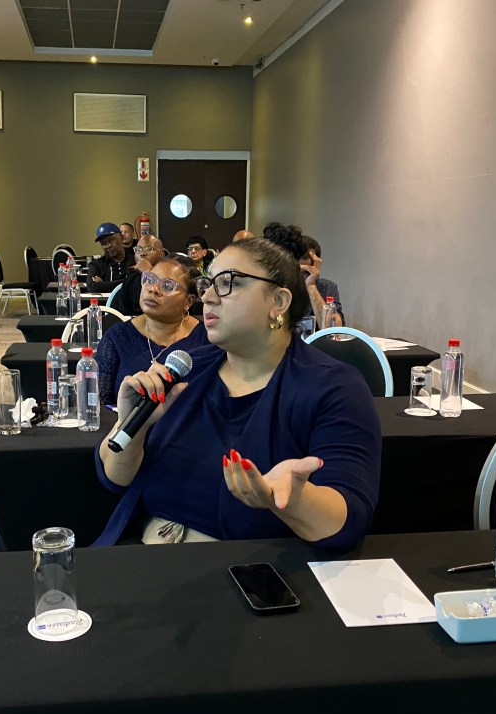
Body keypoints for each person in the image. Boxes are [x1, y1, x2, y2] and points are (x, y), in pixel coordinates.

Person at [94, 223, 380, 548]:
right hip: (144, 548)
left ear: (278, 301)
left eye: (227, 283)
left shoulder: (333, 388)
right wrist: (132, 427)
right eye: (207, 284)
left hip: (243, 563)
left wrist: (293, 500)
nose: (207, 297)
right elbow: (114, 478)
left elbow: (350, 518)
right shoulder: (187, 367)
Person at [95, 254, 209, 404]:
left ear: (189, 301)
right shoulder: (117, 337)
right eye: (150, 280)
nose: (154, 289)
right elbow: (99, 402)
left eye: (167, 286)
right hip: (125, 418)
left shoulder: (206, 340)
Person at [109, 233, 166, 316]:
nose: (142, 253)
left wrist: (149, 272)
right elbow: (123, 314)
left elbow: (167, 310)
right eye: (138, 249)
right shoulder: (131, 279)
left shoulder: (169, 278)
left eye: (149, 249)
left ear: (162, 255)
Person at [301, 235, 344, 329]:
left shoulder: (327, 286)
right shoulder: (279, 286)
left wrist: (311, 286)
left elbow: (334, 330)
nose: (299, 263)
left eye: (304, 257)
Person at [87, 222, 136, 292]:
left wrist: (103, 284)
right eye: (103, 243)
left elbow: (139, 282)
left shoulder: (135, 261)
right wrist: (128, 281)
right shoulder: (97, 264)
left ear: (121, 237)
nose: (108, 245)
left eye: (111, 240)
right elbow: (92, 287)